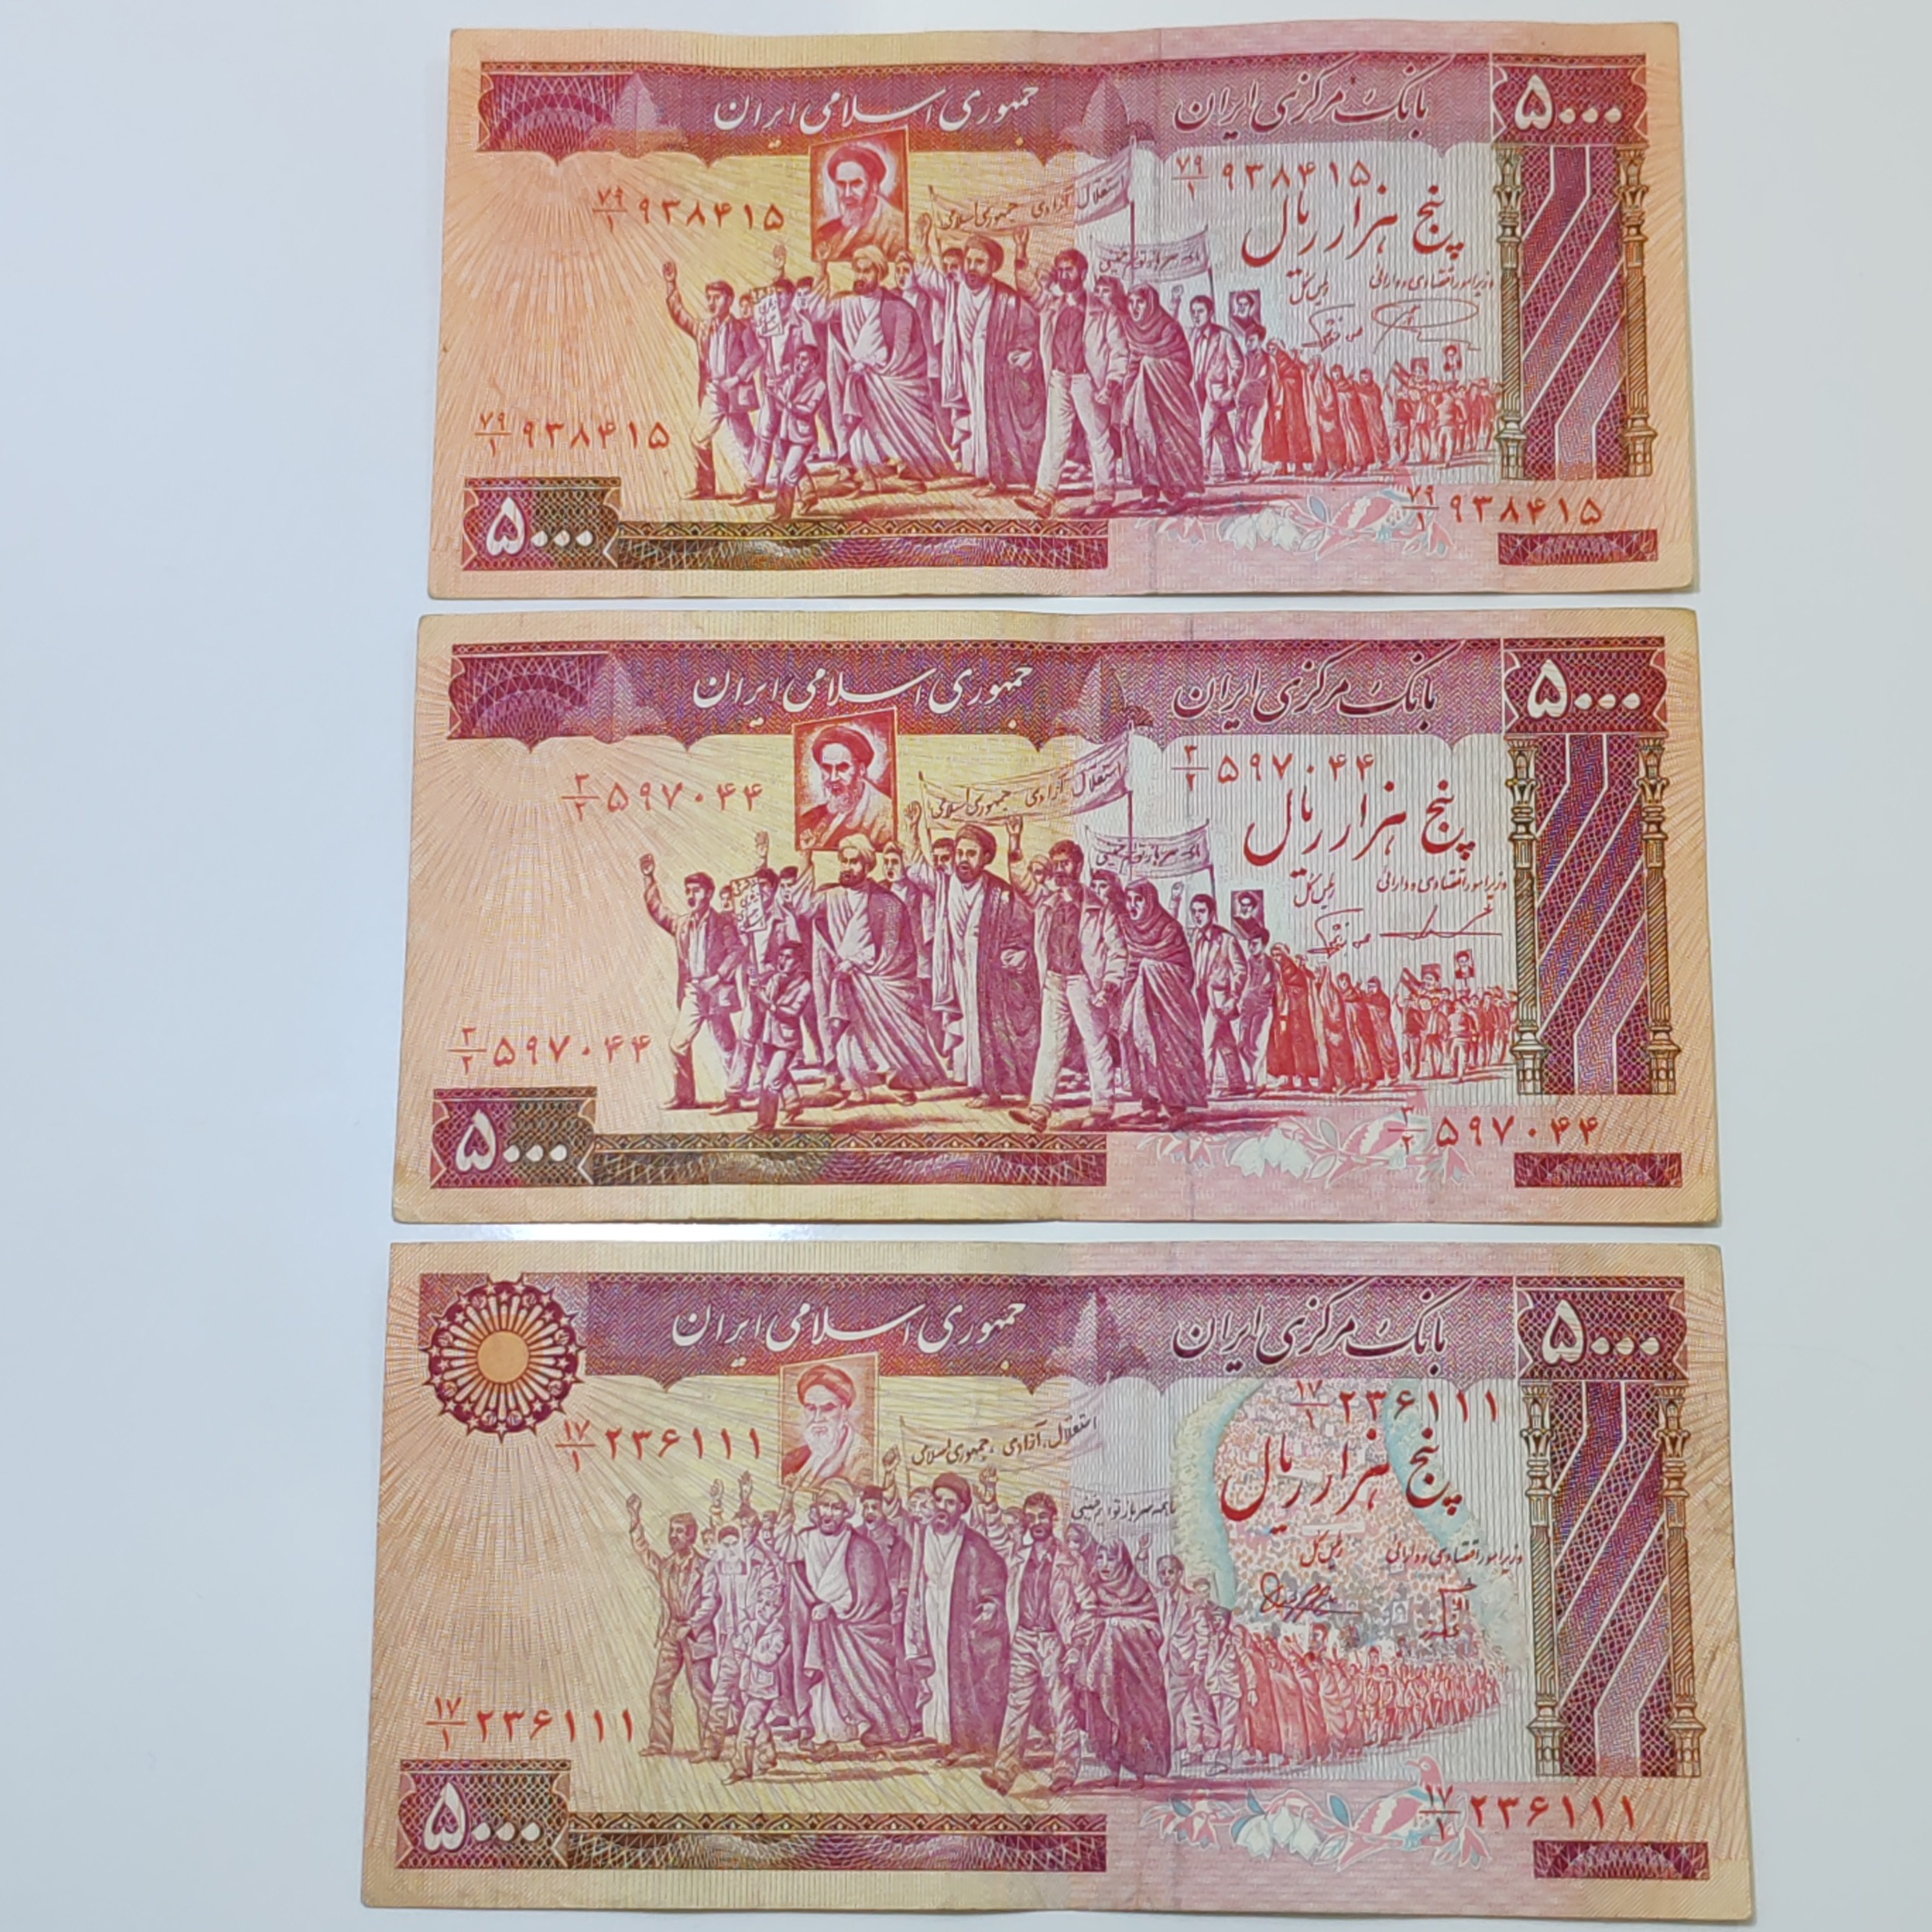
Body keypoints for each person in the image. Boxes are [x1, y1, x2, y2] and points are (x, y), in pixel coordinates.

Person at [792, 834, 943, 1106]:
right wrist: (805, 857)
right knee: (839, 1032)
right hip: (843, 981)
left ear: (867, 865)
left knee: (877, 1036)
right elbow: (803, 907)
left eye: (854, 862)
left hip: (879, 984)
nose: (847, 867)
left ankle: (895, 1081)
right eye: (844, 861)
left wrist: (859, 964)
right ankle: (850, 1086)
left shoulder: (888, 903)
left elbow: (897, 951)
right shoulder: (833, 897)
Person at [795, 248, 952, 490]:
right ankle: (871, 473)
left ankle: (902, 466)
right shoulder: (847, 304)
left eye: (866, 271)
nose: (860, 276)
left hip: (891, 381)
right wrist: (821, 267)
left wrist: (877, 371)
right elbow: (818, 313)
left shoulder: (898, 308)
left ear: (879, 273)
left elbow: (905, 354)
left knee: (881, 407)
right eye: (857, 270)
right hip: (860, 382)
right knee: (859, 422)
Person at [776, 1482, 912, 1749]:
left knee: (864, 1675)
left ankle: (870, 1725)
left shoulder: (862, 1548)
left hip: (855, 1629)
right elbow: (783, 1545)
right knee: (815, 1679)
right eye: (824, 1506)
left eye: (836, 1508)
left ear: (847, 1513)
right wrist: (788, 1497)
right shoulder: (808, 1540)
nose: (828, 1513)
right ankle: (820, 1731)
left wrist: (835, 1608)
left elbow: (873, 1597)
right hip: (819, 1627)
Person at [1010, 837, 1126, 1131]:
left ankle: (1101, 1107)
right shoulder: (1047, 903)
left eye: (1066, 864)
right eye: (1056, 864)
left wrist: (1109, 985)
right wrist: (1015, 842)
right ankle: (1039, 1109)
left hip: (1085, 982)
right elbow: (1022, 883)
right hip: (1054, 981)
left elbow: (1117, 951)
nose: (1060, 870)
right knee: (1050, 1045)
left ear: (1079, 865)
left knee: (1095, 1043)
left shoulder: (1100, 908)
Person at [929, 823, 1041, 1106]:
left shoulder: (1000, 894)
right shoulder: (946, 885)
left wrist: (1016, 953)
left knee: (989, 1029)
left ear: (986, 858)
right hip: (958, 972)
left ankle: (992, 1089)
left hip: (989, 978)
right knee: (967, 1027)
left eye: (971, 854)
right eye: (960, 853)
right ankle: (974, 1081)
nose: (963, 860)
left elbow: (1022, 929)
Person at [903, 1473, 1011, 1761]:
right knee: (935, 1675)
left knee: (959, 1677)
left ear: (962, 1508)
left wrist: (990, 1605)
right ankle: (938, 1735)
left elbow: (994, 1577)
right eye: (939, 1500)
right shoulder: (921, 1535)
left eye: (950, 1503)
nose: (942, 1508)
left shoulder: (975, 1544)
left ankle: (963, 1741)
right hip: (930, 1617)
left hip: (959, 1622)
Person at [928, 230, 1044, 494]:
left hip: (996, 378)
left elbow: (1030, 329)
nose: (972, 268)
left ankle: (997, 478)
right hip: (967, 374)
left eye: (980, 262)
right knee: (974, 422)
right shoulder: (956, 292)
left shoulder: (1007, 299)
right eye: (969, 261)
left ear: (992, 267)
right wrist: (925, 244)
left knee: (993, 423)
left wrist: (1025, 353)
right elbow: (928, 278)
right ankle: (980, 471)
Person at [984, 1494, 1084, 1795]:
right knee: (1017, 1705)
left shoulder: (1070, 1561)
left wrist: (1076, 1646)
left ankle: (1065, 1770)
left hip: (1055, 1641)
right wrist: (990, 1504)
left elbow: (1088, 1606)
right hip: (1024, 1639)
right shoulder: (1018, 1556)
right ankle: (1004, 1772)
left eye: (1042, 1517)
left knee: (1061, 1706)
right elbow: (996, 1536)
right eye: (1031, 1517)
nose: (1036, 1523)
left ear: (1053, 1519)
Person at [1016, 248, 1124, 518]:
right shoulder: (1052, 305)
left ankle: (1104, 495)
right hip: (1059, 379)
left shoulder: (1104, 311)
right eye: (1061, 271)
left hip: (1088, 381)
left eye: (1069, 270)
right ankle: (1044, 496)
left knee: (1097, 437)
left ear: (1083, 273)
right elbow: (1028, 289)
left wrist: (1110, 385)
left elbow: (1119, 352)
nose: (1064, 276)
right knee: (1055, 438)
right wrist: (1021, 254)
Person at [638, 852, 744, 1109]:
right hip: (694, 993)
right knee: (678, 1044)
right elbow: (658, 911)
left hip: (716, 992)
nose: (690, 896)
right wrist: (649, 878)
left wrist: (718, 977)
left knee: (726, 1045)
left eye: (696, 891)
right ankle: (685, 1096)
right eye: (688, 891)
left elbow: (737, 951)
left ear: (709, 893)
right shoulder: (682, 924)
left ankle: (734, 1097)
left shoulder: (723, 922)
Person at [1071, 1542, 1171, 1786]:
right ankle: (1113, 1771)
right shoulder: (1092, 1590)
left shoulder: (1139, 1589)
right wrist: (1098, 1631)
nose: (1104, 1564)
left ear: (1123, 1561)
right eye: (1100, 1558)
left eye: (1111, 1559)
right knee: (1103, 1717)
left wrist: (1120, 1628)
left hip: (1133, 1672)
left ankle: (1139, 1772)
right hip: (1101, 1672)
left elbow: (1154, 1629)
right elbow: (1084, 1622)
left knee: (1134, 1718)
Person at [662, 262, 761, 500]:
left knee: (744, 440)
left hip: (734, 392)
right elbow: (680, 316)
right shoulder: (704, 328)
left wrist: (737, 378)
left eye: (717, 298)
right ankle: (706, 487)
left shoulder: (741, 328)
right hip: (714, 392)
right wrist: (671, 285)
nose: (711, 303)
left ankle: (752, 488)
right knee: (699, 438)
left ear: (729, 300)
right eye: (709, 298)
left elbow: (756, 355)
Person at [1115, 879, 1209, 1126]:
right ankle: (1150, 1105)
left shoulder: (1170, 928)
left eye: (1139, 900)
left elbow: (1185, 971)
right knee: (1139, 1041)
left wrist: (1151, 971)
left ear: (1150, 901)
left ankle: (1177, 1109)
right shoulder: (1128, 928)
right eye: (1129, 900)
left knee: (1168, 1049)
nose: (1133, 906)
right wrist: (1128, 993)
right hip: (1140, 1001)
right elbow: (1131, 965)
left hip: (1169, 1005)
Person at [628, 1501, 719, 1755]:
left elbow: (711, 1603)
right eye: (672, 1530)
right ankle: (660, 1742)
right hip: (671, 1634)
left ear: (691, 1536)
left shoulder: (706, 1567)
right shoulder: (666, 1566)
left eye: (679, 1531)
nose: (673, 1536)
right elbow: (643, 1551)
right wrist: (635, 1519)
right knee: (660, 1689)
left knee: (701, 1691)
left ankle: (711, 1745)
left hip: (696, 1635)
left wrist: (690, 1626)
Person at [1115, 286, 1205, 511]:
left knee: (1168, 439)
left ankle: (1177, 495)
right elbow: (1134, 362)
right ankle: (1150, 493)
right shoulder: (1131, 329)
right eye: (1131, 302)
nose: (1135, 308)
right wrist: (1129, 387)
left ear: (1151, 303)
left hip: (1169, 398)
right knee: (1141, 433)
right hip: (1142, 395)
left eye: (1140, 302)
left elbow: (1184, 365)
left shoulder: (1169, 327)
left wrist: (1151, 367)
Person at [796, 723, 897, 855]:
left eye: (842, 768)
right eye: (827, 768)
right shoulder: (814, 817)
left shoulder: (885, 819)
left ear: (861, 770)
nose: (833, 778)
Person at [1186, 893, 1249, 1097]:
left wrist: (1234, 997)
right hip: (1199, 997)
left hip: (1219, 999)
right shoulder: (1194, 937)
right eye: (1194, 912)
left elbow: (1241, 970)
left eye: (1202, 911)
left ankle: (1204, 1086)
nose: (1197, 916)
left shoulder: (1227, 940)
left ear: (1212, 913)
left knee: (1208, 1042)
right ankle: (1238, 1082)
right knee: (1225, 1040)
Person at [812, 141, 908, 263]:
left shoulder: (897, 231)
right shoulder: (827, 232)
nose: (847, 194)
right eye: (841, 184)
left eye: (856, 184)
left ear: (874, 186)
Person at [782, 1361, 872, 1486]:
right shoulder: (793, 1459)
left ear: (844, 1412)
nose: (817, 1419)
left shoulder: (862, 1457)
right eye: (811, 1409)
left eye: (828, 1409)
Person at [1188, 294, 1244, 483]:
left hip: (1217, 393)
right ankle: (1233, 469)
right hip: (1198, 392)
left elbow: (1238, 365)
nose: (1196, 316)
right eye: (1193, 312)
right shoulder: (1192, 337)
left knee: (1205, 431)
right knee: (1222, 431)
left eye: (1200, 311)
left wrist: (1231, 390)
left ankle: (1203, 472)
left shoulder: (1224, 337)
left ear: (1211, 313)